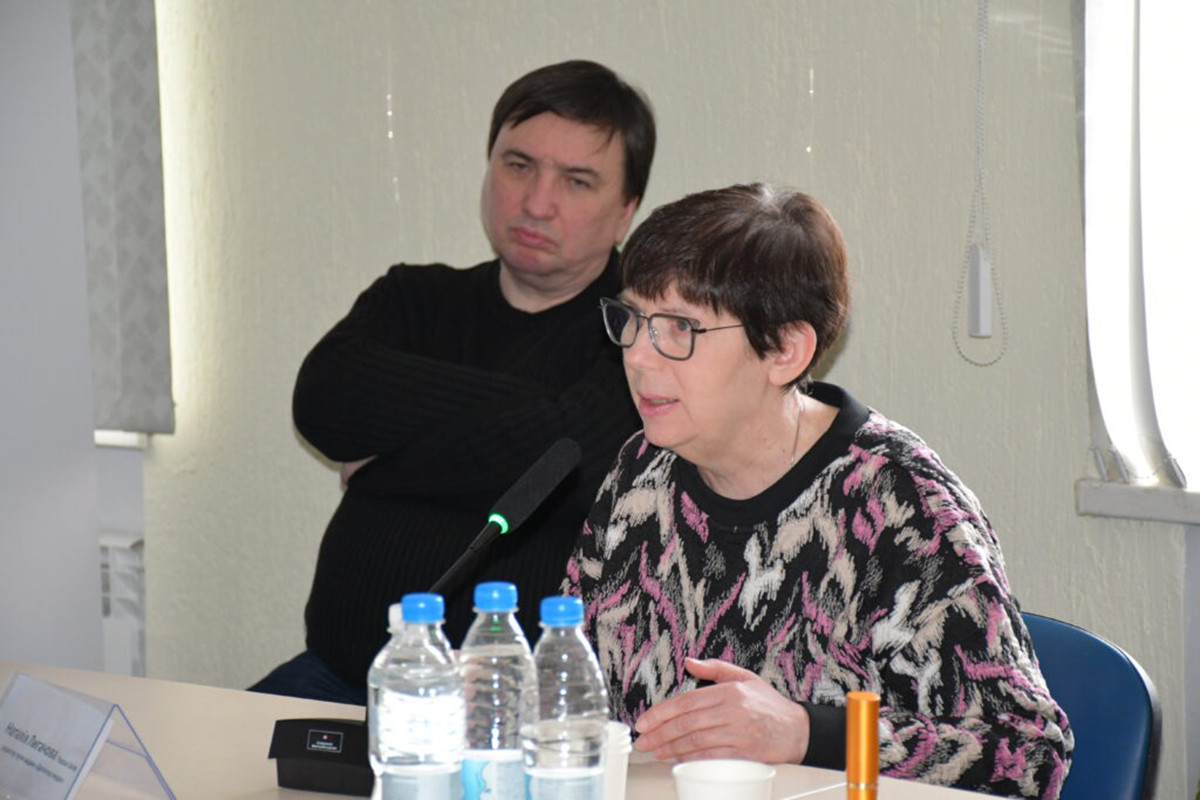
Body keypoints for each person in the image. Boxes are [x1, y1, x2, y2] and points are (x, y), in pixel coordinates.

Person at [563, 184, 1073, 797]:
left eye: (679, 328)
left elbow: (1029, 755)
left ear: (785, 350)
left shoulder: (900, 503)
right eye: (633, 319)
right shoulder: (641, 472)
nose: (639, 358)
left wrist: (809, 733)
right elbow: (572, 685)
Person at [250, 60, 655, 705]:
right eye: (518, 165)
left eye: (577, 181)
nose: (536, 203)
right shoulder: (412, 298)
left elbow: (571, 462)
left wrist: (383, 468)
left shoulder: (636, 337)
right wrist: (536, 423)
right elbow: (320, 402)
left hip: (516, 711)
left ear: (626, 211)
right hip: (338, 678)